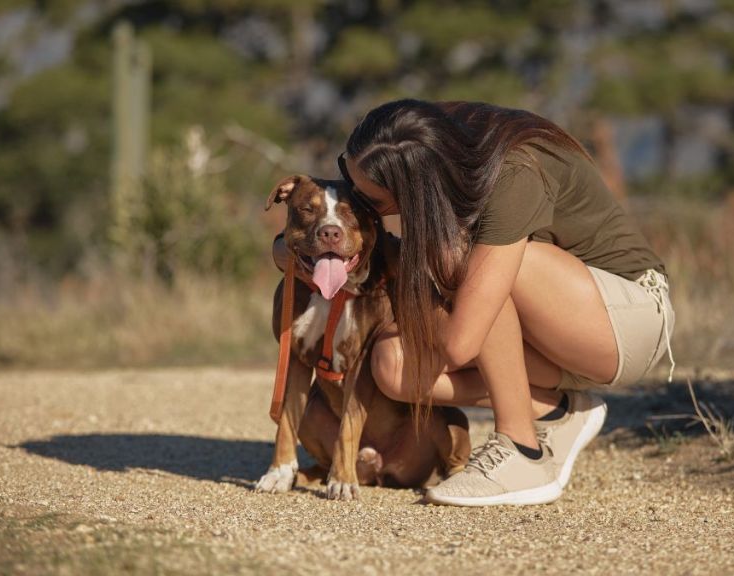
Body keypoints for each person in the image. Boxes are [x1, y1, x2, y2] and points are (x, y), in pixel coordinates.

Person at [274, 99, 674, 506]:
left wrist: (378, 264)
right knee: (393, 366)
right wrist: (302, 255)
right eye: (347, 175)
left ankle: (522, 451)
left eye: (370, 202)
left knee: (477, 266)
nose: (357, 202)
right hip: (550, 332)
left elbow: (462, 342)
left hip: (627, 316)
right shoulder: (432, 146)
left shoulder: (515, 169)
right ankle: (557, 411)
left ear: (411, 184)